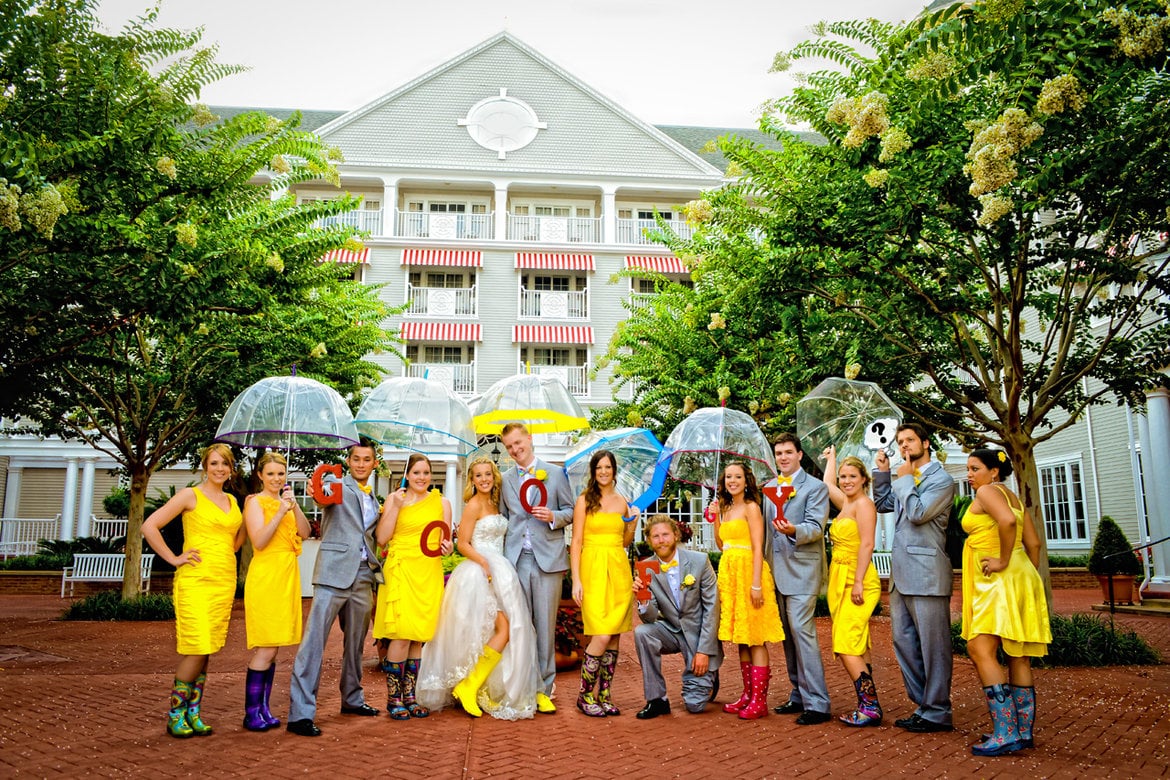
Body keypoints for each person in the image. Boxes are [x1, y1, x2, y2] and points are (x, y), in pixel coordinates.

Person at [415, 456, 542, 720]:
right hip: (479, 572)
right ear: (471, 480)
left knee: (506, 628)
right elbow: (462, 543)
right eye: (478, 475)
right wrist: (484, 562)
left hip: (502, 571)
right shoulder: (473, 505)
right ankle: (468, 684)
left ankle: (478, 686)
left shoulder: (496, 503)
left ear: (493, 477)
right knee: (503, 628)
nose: (483, 479)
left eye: (487, 474)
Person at [142, 443, 245, 738]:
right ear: (205, 466)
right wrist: (175, 558)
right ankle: (175, 713)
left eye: (225, 464)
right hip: (195, 581)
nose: (220, 469)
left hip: (223, 580)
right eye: (214, 464)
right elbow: (150, 526)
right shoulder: (191, 495)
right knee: (197, 645)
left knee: (208, 648)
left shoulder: (232, 501)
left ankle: (194, 713)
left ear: (231, 469)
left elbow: (232, 543)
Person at [287, 438, 385, 737]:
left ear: (374, 464)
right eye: (355, 458)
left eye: (366, 460)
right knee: (313, 643)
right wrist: (320, 486)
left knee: (355, 644)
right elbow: (322, 497)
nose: (360, 464)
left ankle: (352, 698)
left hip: (363, 575)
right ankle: (300, 714)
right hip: (332, 573)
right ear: (349, 461)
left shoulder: (377, 500)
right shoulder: (335, 484)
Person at [962, 448, 1051, 756]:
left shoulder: (988, 492)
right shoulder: (1012, 496)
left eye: (975, 468)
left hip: (997, 580)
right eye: (969, 469)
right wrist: (1021, 570)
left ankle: (1006, 732)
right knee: (1018, 654)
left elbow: (1006, 523)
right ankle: (1022, 732)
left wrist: (1001, 561)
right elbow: (1034, 543)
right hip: (1021, 575)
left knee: (979, 647)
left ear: (993, 472)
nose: (969, 475)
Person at [873, 422, 956, 733]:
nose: (904, 446)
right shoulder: (905, 478)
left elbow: (919, 513)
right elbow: (884, 504)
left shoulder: (942, 481)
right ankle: (925, 705)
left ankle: (938, 710)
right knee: (904, 642)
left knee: (933, 647)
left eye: (909, 440)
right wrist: (883, 473)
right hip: (900, 575)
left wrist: (904, 481)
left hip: (927, 574)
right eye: (900, 441)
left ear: (926, 442)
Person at [373, 452, 452, 720]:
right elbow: (382, 538)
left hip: (428, 571)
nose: (422, 477)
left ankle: (410, 696)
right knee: (401, 633)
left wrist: (448, 547)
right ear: (407, 474)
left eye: (426, 473)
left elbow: (445, 541)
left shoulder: (442, 502)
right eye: (416, 472)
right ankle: (393, 698)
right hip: (402, 569)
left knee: (419, 634)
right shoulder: (397, 500)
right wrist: (394, 506)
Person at [500, 422, 572, 714]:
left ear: (529, 439)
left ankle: (544, 688)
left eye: (519, 443)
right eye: (510, 447)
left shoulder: (555, 473)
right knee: (521, 627)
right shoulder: (505, 479)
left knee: (544, 627)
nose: (516, 450)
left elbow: (570, 510)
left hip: (547, 560)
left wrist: (553, 515)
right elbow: (504, 519)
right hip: (517, 559)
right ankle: (525, 685)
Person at [764, 433, 832, 725]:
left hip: (803, 570)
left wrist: (794, 530)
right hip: (775, 571)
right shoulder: (768, 488)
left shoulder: (815, 488)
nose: (783, 457)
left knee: (803, 634)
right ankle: (798, 693)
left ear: (800, 455)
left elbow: (817, 527)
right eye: (778, 453)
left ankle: (818, 703)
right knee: (788, 638)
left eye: (788, 452)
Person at [241, 451, 311, 731]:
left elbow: (305, 533)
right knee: (266, 646)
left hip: (287, 575)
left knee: (274, 648)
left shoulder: (287, 502)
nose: (276, 478)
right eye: (270, 474)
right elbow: (258, 541)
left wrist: (293, 507)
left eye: (280, 473)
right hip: (267, 575)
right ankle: (251, 713)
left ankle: (263, 708)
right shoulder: (254, 503)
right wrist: (280, 511)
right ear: (260, 475)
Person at [713, 461, 785, 720]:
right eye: (728, 477)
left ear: (746, 481)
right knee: (741, 636)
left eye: (737, 477)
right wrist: (714, 518)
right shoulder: (726, 507)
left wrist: (756, 584)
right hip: (730, 573)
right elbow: (722, 544)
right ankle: (747, 694)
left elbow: (758, 546)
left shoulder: (752, 507)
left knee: (755, 636)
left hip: (749, 573)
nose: (732, 481)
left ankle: (759, 700)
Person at [632, 514, 723, 719]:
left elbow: (712, 610)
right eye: (655, 536)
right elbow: (650, 618)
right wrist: (643, 598)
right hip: (671, 629)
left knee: (695, 706)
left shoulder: (700, 562)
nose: (661, 540)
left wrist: (704, 652)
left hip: (698, 634)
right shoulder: (647, 567)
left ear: (675, 535)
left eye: (665, 534)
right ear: (649, 540)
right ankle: (657, 700)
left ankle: (709, 674)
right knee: (642, 633)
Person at [569, 450, 637, 717]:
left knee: (614, 637)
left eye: (608, 467)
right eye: (599, 467)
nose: (604, 472)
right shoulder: (584, 501)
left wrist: (633, 522)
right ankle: (584, 695)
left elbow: (625, 542)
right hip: (592, 568)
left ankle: (605, 694)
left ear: (614, 470)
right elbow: (575, 542)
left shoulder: (623, 502)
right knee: (601, 633)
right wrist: (576, 580)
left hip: (618, 568)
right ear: (593, 471)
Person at [820, 446, 883, 726]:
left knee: (845, 642)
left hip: (858, 579)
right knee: (856, 642)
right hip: (839, 577)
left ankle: (870, 707)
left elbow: (868, 544)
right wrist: (832, 459)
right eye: (844, 476)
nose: (846, 481)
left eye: (852, 476)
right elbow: (826, 484)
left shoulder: (864, 504)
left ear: (864, 479)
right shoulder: (845, 502)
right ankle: (867, 704)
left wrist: (858, 581)